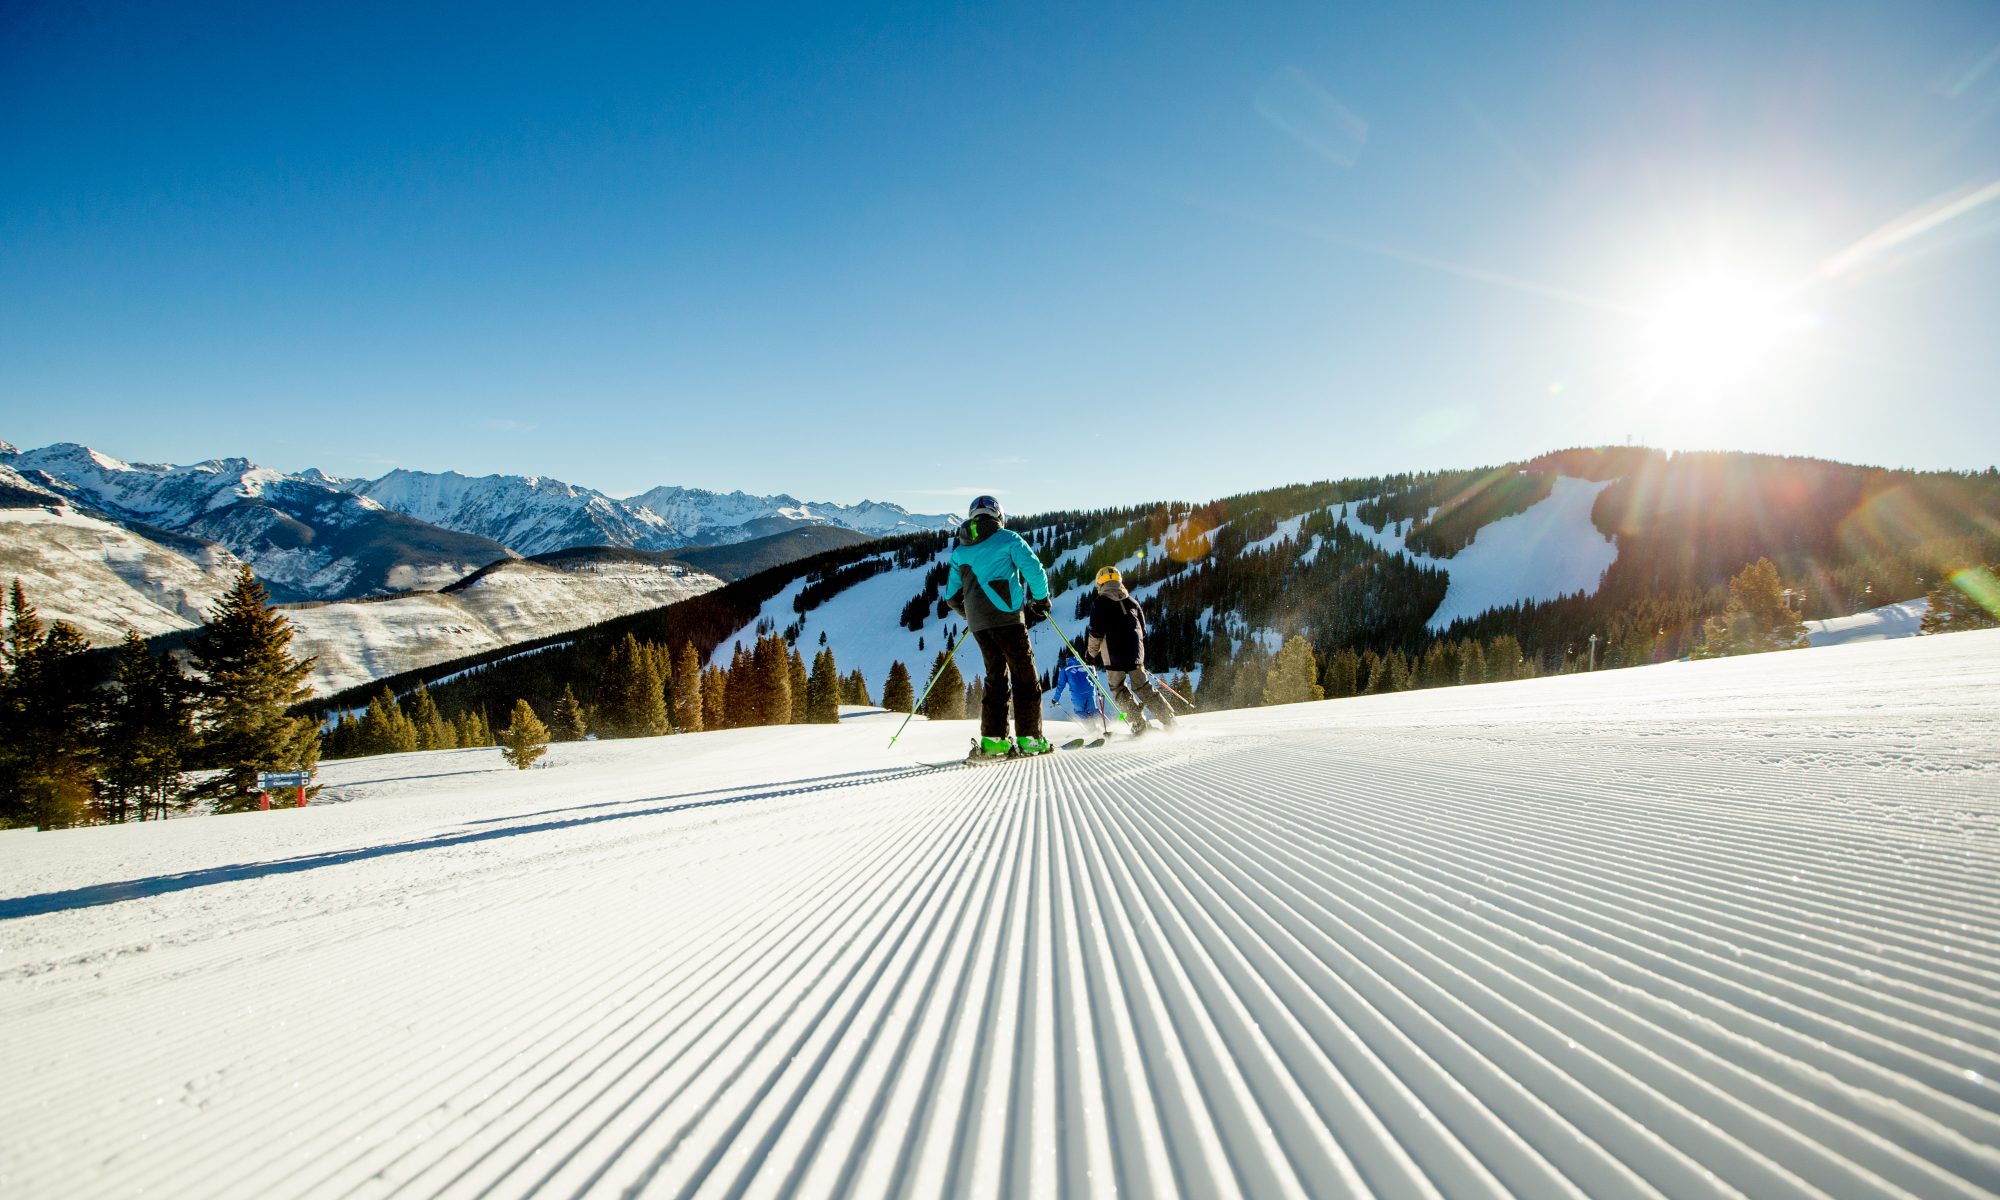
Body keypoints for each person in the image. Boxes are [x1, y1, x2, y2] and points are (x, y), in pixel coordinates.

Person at [944, 496, 1053, 759]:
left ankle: (994, 742)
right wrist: (1041, 601)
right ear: (998, 516)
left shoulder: (960, 551)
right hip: (1008, 619)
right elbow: (1034, 570)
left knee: (996, 678)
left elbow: (951, 597)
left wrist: (970, 615)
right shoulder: (1009, 539)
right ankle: (1030, 739)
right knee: (1025, 677)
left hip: (980, 626)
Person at [1086, 565, 1177, 734]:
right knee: (1143, 687)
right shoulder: (1132, 602)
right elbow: (1143, 631)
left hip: (1113, 657)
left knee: (1118, 689)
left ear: (1100, 583)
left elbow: (1095, 633)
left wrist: (1090, 655)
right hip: (1136, 655)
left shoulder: (1099, 603)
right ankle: (1169, 719)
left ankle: (1139, 723)